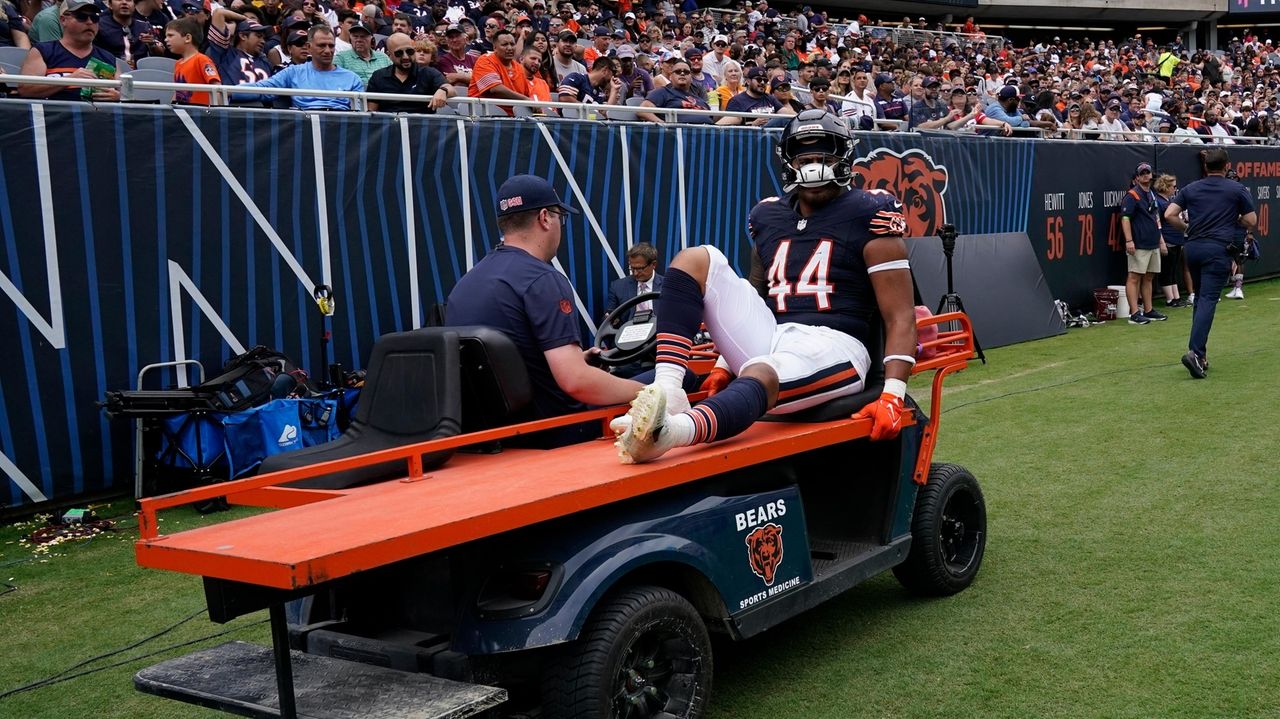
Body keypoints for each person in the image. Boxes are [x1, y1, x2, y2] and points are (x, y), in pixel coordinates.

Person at [612, 110, 917, 464]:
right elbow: (757, 299)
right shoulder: (768, 216)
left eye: (823, 157)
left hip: (837, 344)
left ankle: (670, 433)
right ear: (788, 161)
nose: (814, 167)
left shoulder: (870, 211)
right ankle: (669, 388)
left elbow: (900, 317)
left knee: (761, 372)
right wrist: (725, 363)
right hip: (774, 332)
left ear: (844, 157)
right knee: (695, 258)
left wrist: (894, 393)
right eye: (805, 158)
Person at [445, 175, 644, 446]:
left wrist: (577, 358)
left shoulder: (467, 283)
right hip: (557, 430)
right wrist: (649, 392)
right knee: (679, 380)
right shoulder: (542, 279)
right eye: (560, 217)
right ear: (544, 218)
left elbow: (507, 361)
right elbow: (576, 382)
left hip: (497, 433)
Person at [1162, 148, 1257, 379]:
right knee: (1207, 299)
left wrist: (1188, 229)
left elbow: (1169, 215)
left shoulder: (1191, 188)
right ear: (1227, 166)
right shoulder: (1237, 189)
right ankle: (1194, 352)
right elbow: (1251, 220)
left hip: (1193, 248)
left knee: (1201, 298)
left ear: (1206, 167)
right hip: (1217, 249)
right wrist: (1233, 217)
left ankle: (1200, 355)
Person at [237, 25, 364, 110]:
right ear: (308, 47)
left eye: (331, 46)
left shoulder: (352, 79)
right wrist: (228, 93)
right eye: (321, 45)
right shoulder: (293, 73)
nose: (327, 51)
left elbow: (360, 117)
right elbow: (263, 89)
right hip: (305, 133)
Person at [18, 0, 121, 102]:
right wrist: (70, 80)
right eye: (81, 17)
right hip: (56, 116)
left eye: (95, 18)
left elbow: (127, 95)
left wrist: (118, 97)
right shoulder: (43, 51)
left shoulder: (108, 58)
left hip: (96, 116)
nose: (89, 22)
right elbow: (25, 90)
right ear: (63, 20)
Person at [1120, 163, 1168, 325]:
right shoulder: (1132, 196)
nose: (1147, 175)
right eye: (1143, 173)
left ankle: (1148, 310)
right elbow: (1125, 219)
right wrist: (1129, 241)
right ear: (1137, 178)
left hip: (1152, 242)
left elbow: (1156, 219)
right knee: (1134, 277)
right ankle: (1134, 313)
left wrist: (1161, 240)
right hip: (1139, 243)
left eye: (1149, 173)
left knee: (1149, 277)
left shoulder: (1152, 195)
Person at [366, 31, 450, 112]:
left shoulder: (428, 73)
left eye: (409, 51)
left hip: (421, 124)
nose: (405, 57)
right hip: (389, 125)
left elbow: (450, 88)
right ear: (389, 55)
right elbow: (372, 113)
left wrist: (443, 90)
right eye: (399, 53)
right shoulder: (378, 76)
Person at [468, 29, 531, 114]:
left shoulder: (519, 67)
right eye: (505, 44)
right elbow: (496, 89)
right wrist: (525, 100)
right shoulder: (485, 60)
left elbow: (526, 94)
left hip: (514, 118)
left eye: (512, 44)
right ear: (495, 48)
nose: (509, 48)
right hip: (483, 116)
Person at [1153, 173, 1191, 309]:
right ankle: (1170, 299)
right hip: (1167, 240)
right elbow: (1157, 224)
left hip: (1176, 240)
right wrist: (1161, 242)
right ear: (1166, 187)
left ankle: (1176, 297)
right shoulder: (1159, 202)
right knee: (1167, 270)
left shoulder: (1168, 202)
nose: (1175, 189)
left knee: (1173, 269)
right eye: (1173, 187)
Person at [164, 16, 220, 105]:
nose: (166, 39)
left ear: (187, 38)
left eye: (170, 35)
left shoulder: (202, 59)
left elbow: (217, 87)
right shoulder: (178, 63)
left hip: (201, 114)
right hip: (183, 114)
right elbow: (177, 91)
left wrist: (216, 113)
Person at [638, 58, 710, 124]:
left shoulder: (699, 100)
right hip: (679, 133)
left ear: (691, 77)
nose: (682, 73)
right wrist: (663, 124)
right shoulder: (663, 92)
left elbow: (712, 117)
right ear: (671, 77)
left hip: (710, 132)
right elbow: (642, 110)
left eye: (686, 72)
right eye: (678, 71)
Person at [603, 242, 663, 321]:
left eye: (640, 269)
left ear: (653, 264)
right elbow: (607, 320)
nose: (635, 273)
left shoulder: (667, 286)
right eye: (632, 268)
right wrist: (610, 319)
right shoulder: (618, 287)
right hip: (628, 331)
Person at [334, 19, 390, 86]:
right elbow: (335, 81)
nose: (359, 40)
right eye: (355, 36)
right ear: (350, 37)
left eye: (363, 36)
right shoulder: (341, 58)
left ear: (371, 38)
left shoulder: (383, 57)